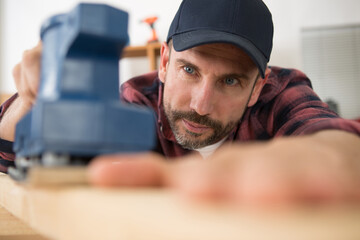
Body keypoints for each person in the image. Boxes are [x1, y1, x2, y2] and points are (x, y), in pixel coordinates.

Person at [1, 0, 360, 205]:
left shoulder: (282, 91)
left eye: (230, 80)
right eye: (189, 69)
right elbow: (13, 161)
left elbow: (327, 133)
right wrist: (33, 105)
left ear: (256, 88)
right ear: (164, 62)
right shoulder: (134, 101)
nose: (201, 105)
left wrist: (334, 156)